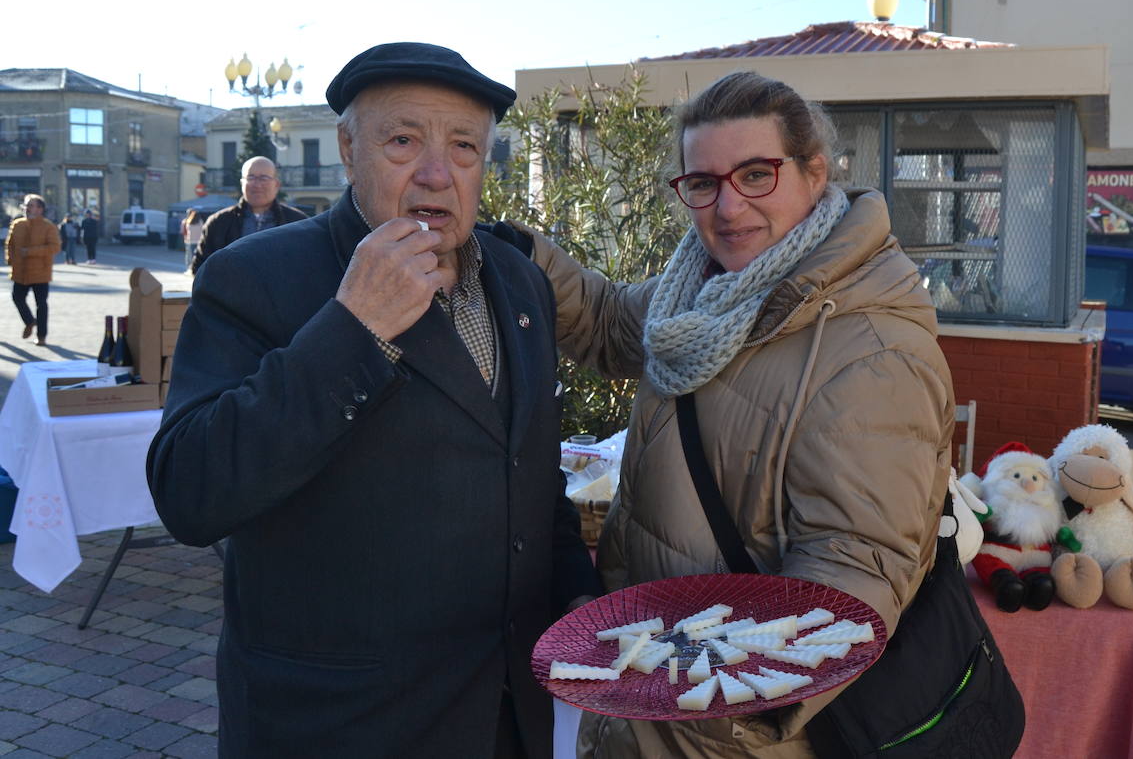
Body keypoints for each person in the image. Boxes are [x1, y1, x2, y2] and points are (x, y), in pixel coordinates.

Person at [147, 41, 601, 759]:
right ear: (347, 148)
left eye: (463, 148)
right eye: (402, 141)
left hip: (506, 718)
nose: (435, 173)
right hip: (342, 724)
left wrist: (576, 594)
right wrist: (352, 329)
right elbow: (190, 491)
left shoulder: (519, 283)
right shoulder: (254, 277)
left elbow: (527, 475)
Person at [497, 71, 955, 758]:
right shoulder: (705, 291)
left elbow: (853, 578)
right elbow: (610, 325)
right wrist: (525, 256)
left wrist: (705, 708)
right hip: (654, 698)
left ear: (814, 171)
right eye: (703, 184)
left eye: (756, 174)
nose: (728, 207)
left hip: (727, 729)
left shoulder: (870, 350)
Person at [190, 156, 307, 274]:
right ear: (242, 183)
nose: (257, 184)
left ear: (276, 184)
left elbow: (308, 268)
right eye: (251, 177)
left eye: (264, 178)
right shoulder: (218, 222)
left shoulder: (297, 223)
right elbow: (200, 269)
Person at [6, 194, 60, 346]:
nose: (28, 208)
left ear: (40, 209)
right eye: (27, 205)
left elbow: (54, 247)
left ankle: (41, 336)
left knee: (41, 304)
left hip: (40, 272)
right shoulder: (17, 224)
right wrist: (10, 260)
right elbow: (9, 244)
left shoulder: (48, 226)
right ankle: (30, 321)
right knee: (17, 298)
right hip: (20, 271)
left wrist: (31, 251)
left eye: (31, 205)